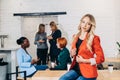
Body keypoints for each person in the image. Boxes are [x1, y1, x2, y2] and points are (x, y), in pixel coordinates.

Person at [59, 14, 105, 80]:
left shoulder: (94, 38)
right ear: (80, 23)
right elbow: (73, 55)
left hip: (88, 72)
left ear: (91, 26)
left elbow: (101, 58)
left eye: (88, 23)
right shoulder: (75, 37)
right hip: (76, 69)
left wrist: (84, 60)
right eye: (83, 22)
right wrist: (72, 54)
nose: (85, 25)